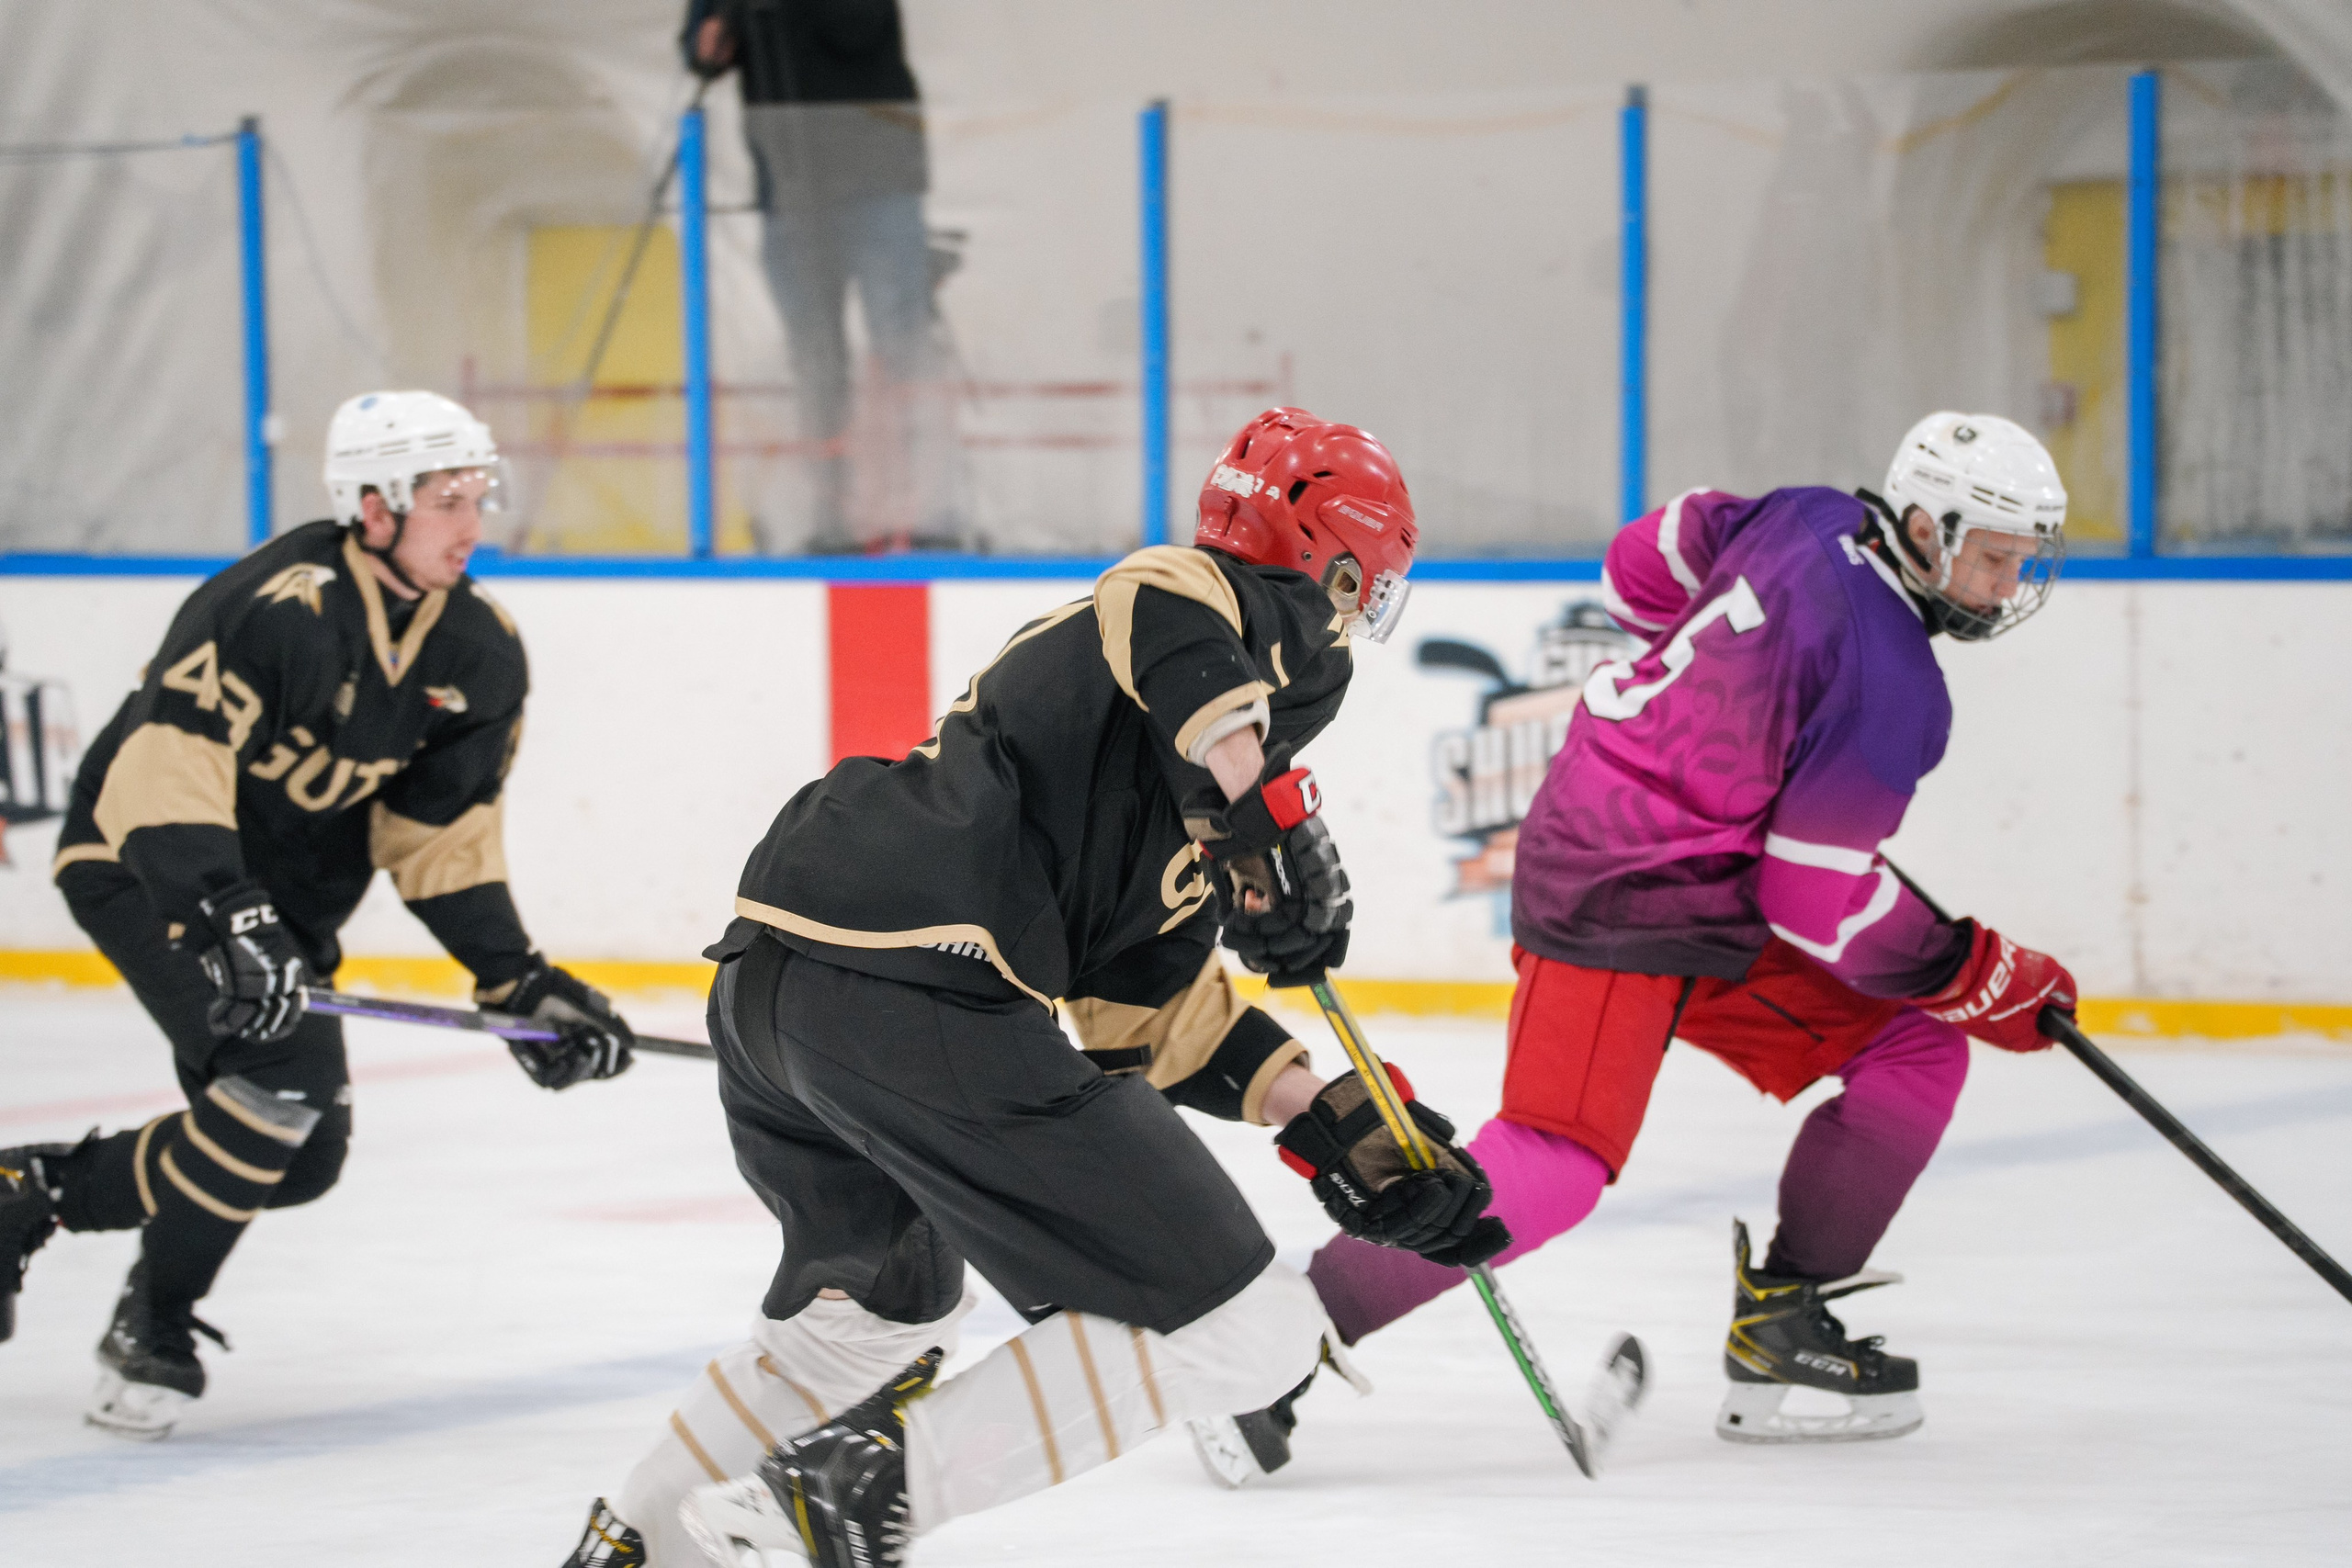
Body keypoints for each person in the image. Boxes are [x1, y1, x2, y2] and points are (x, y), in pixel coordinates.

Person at [556, 407, 1506, 1567]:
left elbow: (1144, 1021)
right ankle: (852, 1495)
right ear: (1334, 563)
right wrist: (1260, 816)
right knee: (1251, 1333)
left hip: (786, 985)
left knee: (873, 1318)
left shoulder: (1181, 811)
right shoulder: (1184, 602)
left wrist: (1326, 1119)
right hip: (916, 985)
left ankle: (637, 1548)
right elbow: (1171, 611)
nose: (1361, 622)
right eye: (1368, 590)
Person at [1208, 411, 2080, 1469]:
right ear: (1924, 527)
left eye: (2024, 562)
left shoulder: (1804, 516)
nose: (2004, 586)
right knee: (1558, 1156)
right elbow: (1816, 900)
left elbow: (1643, 562)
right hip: (1619, 884)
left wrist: (1718, 711)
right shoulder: (1894, 686)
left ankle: (1783, 1324)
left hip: (1698, 878)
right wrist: (1975, 971)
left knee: (1911, 1050)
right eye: (1991, 558)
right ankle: (1271, 1349)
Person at [0, 391, 635, 1439]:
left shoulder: (477, 648)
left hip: (280, 899)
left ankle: (38, 1189)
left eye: (478, 494)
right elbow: (164, 777)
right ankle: (153, 1322)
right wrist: (226, 919)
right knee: (275, 1087)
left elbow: (437, 839)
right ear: (373, 506)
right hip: (146, 862)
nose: (471, 522)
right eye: (444, 498)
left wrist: (515, 977)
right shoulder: (273, 606)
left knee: (303, 1157)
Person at [681, 0, 953, 551]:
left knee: (904, 348)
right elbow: (703, 49)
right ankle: (832, 520)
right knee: (815, 360)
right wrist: (706, 41)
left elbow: (856, 25)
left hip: (880, 176)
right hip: (791, 188)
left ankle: (930, 515)